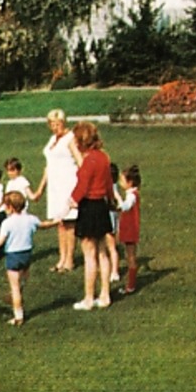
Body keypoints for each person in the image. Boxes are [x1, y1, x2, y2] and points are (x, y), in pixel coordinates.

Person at [0, 192, 58, 326]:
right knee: (21, 283)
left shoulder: (7, 223)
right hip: (27, 255)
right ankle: (15, 299)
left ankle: (18, 316)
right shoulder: (31, 219)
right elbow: (43, 225)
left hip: (13, 256)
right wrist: (56, 222)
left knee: (15, 288)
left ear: (10, 207)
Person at [67, 122, 114, 311]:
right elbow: (109, 183)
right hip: (101, 206)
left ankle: (88, 298)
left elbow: (83, 185)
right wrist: (111, 199)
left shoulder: (89, 161)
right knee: (102, 252)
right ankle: (105, 294)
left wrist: (72, 200)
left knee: (89, 255)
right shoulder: (103, 157)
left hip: (89, 207)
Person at [30, 110, 82, 273]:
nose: (55, 127)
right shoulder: (52, 139)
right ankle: (62, 259)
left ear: (64, 122)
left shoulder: (70, 137)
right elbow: (49, 166)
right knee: (59, 222)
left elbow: (80, 162)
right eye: (52, 124)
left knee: (69, 222)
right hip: (55, 186)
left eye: (58, 123)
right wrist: (40, 189)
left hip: (68, 183)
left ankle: (69, 261)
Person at [116, 165, 142, 295]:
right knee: (130, 255)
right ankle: (131, 283)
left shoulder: (132, 195)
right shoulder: (132, 194)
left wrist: (118, 202)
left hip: (130, 229)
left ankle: (131, 286)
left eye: (122, 180)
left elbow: (126, 206)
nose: (120, 183)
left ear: (130, 182)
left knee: (130, 257)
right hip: (130, 228)